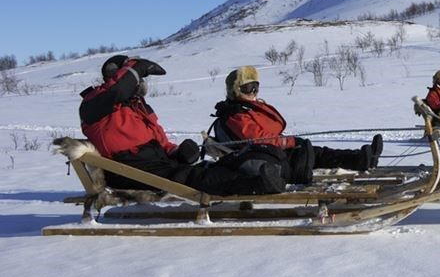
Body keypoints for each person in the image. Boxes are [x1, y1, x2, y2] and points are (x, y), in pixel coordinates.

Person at [79, 56, 286, 195]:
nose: (140, 83)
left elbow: (160, 141)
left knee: (208, 167)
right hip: (128, 169)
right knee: (193, 177)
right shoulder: (94, 105)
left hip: (153, 163)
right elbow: (116, 92)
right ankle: (255, 185)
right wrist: (137, 66)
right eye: (137, 78)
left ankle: (260, 176)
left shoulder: (137, 106)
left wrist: (178, 153)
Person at [211, 66, 382, 182]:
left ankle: (362, 158)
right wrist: (288, 142)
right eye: (248, 88)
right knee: (308, 153)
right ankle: (359, 160)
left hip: (272, 152)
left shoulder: (246, 108)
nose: (254, 92)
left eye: (256, 86)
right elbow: (258, 139)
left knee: (318, 152)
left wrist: (287, 142)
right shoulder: (235, 115)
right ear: (236, 90)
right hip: (264, 160)